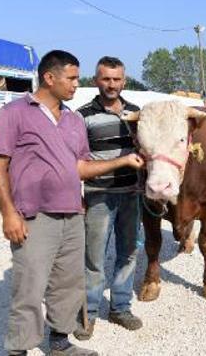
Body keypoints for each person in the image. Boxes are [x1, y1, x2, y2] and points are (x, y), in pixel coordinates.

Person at [0, 50, 144, 356]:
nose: (76, 84)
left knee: (68, 284)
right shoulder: (15, 113)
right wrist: (8, 213)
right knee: (30, 287)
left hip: (73, 214)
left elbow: (80, 168)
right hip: (34, 217)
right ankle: (18, 349)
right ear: (49, 77)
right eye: (71, 78)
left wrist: (124, 160)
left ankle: (60, 343)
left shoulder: (73, 120)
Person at [73, 57, 143, 340]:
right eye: (106, 79)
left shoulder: (137, 113)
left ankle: (120, 307)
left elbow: (147, 151)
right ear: (96, 80)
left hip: (131, 195)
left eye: (116, 79)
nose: (111, 84)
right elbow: (75, 160)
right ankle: (88, 311)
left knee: (128, 252)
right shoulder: (82, 116)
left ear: (124, 81)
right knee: (94, 257)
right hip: (99, 195)